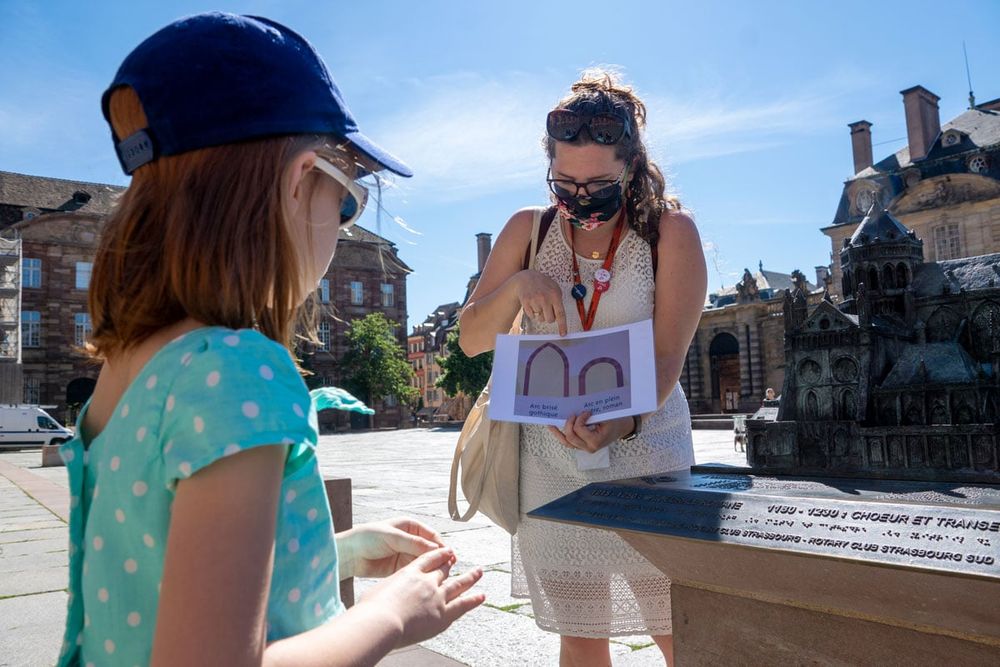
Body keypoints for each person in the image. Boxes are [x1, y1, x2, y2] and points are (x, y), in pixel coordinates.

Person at [57, 13, 483, 666]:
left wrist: (333, 549)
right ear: (298, 178)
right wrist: (393, 614)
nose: (343, 231)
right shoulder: (239, 372)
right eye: (347, 202)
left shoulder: (128, 366)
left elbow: (149, 561)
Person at [459, 69, 707, 666]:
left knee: (678, 622)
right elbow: (470, 339)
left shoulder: (668, 233)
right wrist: (516, 285)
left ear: (632, 165)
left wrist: (624, 424)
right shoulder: (529, 228)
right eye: (565, 180)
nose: (580, 193)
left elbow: (669, 356)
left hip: (647, 446)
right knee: (580, 629)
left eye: (599, 181)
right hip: (549, 454)